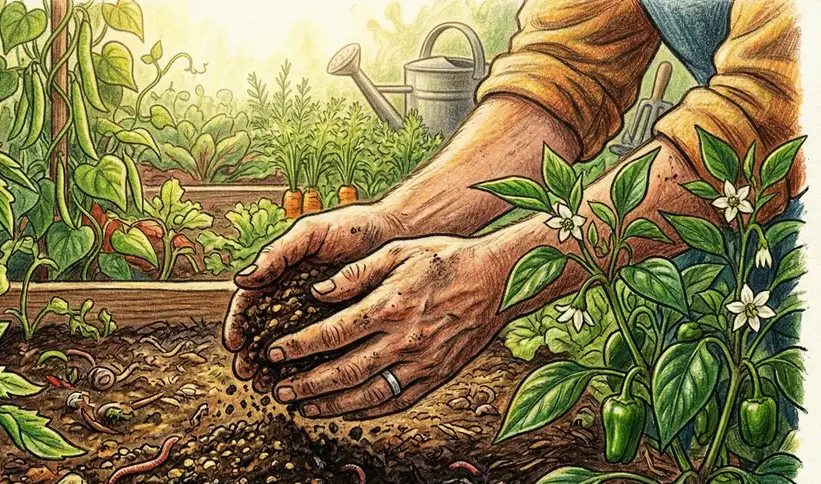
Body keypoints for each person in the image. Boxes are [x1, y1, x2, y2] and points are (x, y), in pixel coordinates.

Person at [223, 0, 802, 419]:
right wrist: (399, 221)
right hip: (718, 226)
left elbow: (769, 117)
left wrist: (498, 273)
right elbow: (567, 68)